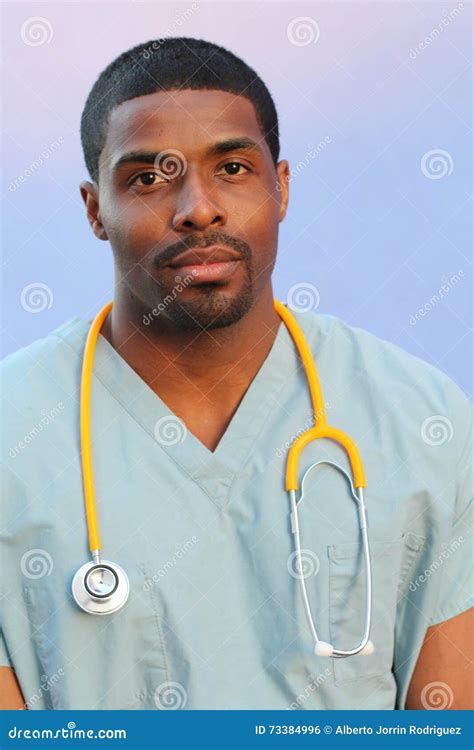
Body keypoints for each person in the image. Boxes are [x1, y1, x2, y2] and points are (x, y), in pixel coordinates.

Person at [1, 37, 472, 711]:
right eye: (147, 178)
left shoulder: (422, 420)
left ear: (280, 187)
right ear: (94, 208)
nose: (198, 208)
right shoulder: (13, 432)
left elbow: (448, 721)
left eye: (232, 168)